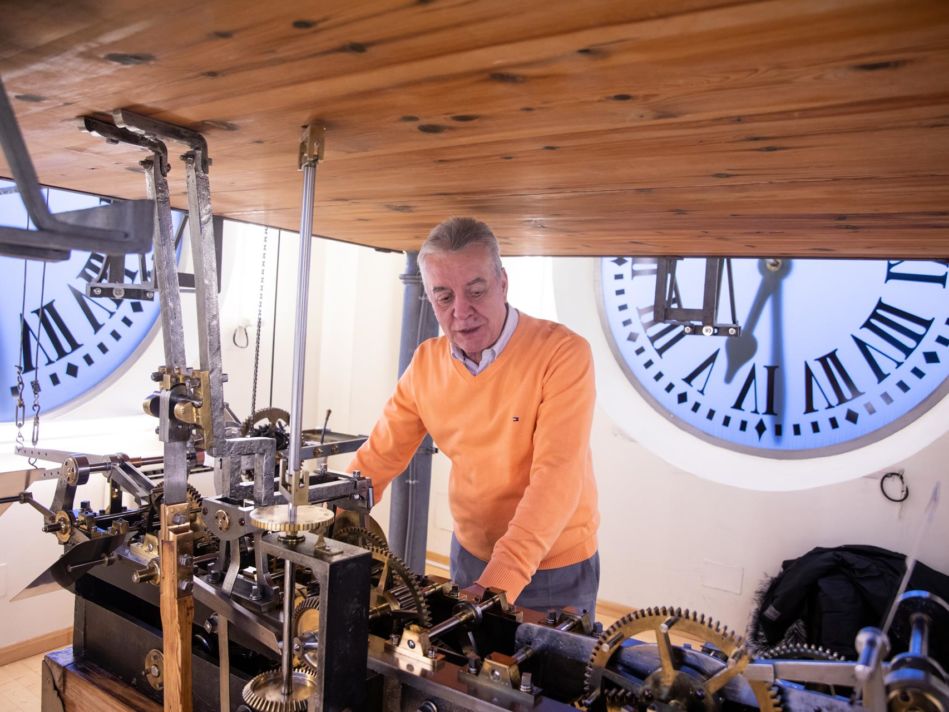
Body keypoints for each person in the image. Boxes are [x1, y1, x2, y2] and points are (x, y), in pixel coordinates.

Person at [348, 217, 600, 614]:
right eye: (444, 297)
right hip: (469, 555)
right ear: (429, 298)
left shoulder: (563, 353)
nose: (461, 312)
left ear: (503, 282)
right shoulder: (426, 362)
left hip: (554, 567)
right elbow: (379, 456)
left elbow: (558, 477)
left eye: (476, 291)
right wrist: (329, 517)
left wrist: (497, 582)